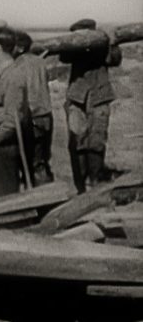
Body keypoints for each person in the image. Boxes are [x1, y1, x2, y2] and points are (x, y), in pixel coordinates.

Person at [60, 18, 122, 193]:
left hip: (99, 97)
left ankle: (95, 182)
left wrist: (111, 41)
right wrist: (78, 42)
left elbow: (115, 59)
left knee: (96, 141)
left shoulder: (103, 45)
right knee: (77, 143)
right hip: (77, 98)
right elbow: (64, 56)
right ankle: (80, 187)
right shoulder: (73, 48)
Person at [0, 27, 30, 198]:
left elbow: (13, 118)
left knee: (4, 197)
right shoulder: (2, 73)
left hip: (3, 146)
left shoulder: (13, 76)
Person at [14, 30, 54, 186]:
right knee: (42, 160)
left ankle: (41, 200)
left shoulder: (19, 65)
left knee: (31, 163)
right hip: (46, 116)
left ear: (20, 48)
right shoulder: (40, 62)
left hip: (32, 118)